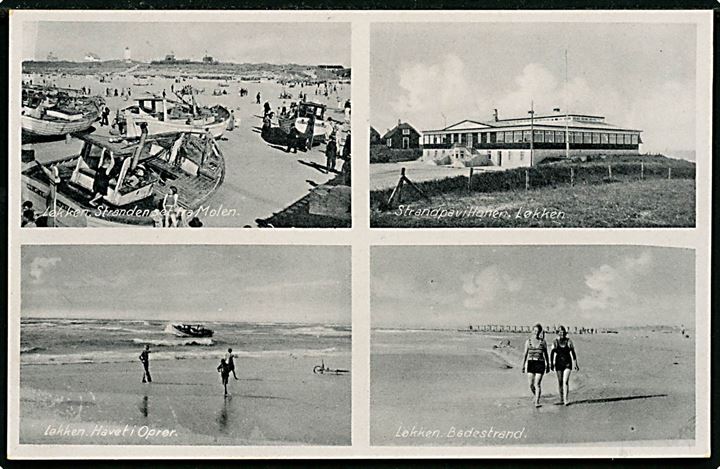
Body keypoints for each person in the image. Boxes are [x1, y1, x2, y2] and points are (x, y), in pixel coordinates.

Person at [521, 323, 549, 407]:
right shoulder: (528, 341)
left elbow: (546, 354)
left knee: (537, 384)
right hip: (531, 363)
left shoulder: (543, 342)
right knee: (531, 384)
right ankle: (535, 395)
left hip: (540, 363)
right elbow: (525, 354)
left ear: (540, 332)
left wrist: (548, 365)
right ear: (533, 331)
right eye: (535, 331)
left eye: (538, 331)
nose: (536, 332)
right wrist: (523, 365)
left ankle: (537, 401)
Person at [550, 326, 579, 406]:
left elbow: (573, 353)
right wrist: (551, 364)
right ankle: (561, 399)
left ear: (565, 333)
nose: (561, 333)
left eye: (563, 332)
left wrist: (575, 364)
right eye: (560, 332)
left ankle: (566, 400)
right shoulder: (555, 342)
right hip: (558, 363)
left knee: (565, 381)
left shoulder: (569, 341)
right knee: (560, 382)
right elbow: (552, 353)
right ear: (558, 333)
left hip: (567, 363)